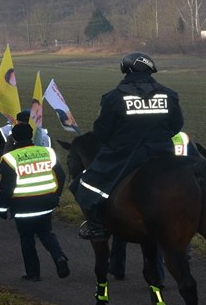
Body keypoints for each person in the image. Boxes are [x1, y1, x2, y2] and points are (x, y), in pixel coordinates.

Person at [73, 52, 184, 240]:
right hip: (163, 154)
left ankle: (97, 227)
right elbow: (176, 125)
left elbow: (102, 132)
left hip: (124, 155)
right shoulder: (170, 95)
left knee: (84, 184)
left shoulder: (113, 97)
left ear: (126, 69)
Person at [0, 123, 69, 281]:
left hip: (23, 206)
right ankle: (59, 257)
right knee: (46, 233)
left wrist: (2, 208)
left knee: (27, 239)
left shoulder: (9, 159)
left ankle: (33, 273)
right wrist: (55, 195)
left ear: (14, 138)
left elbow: (7, 187)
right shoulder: (47, 152)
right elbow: (61, 176)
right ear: (31, 135)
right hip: (46, 203)